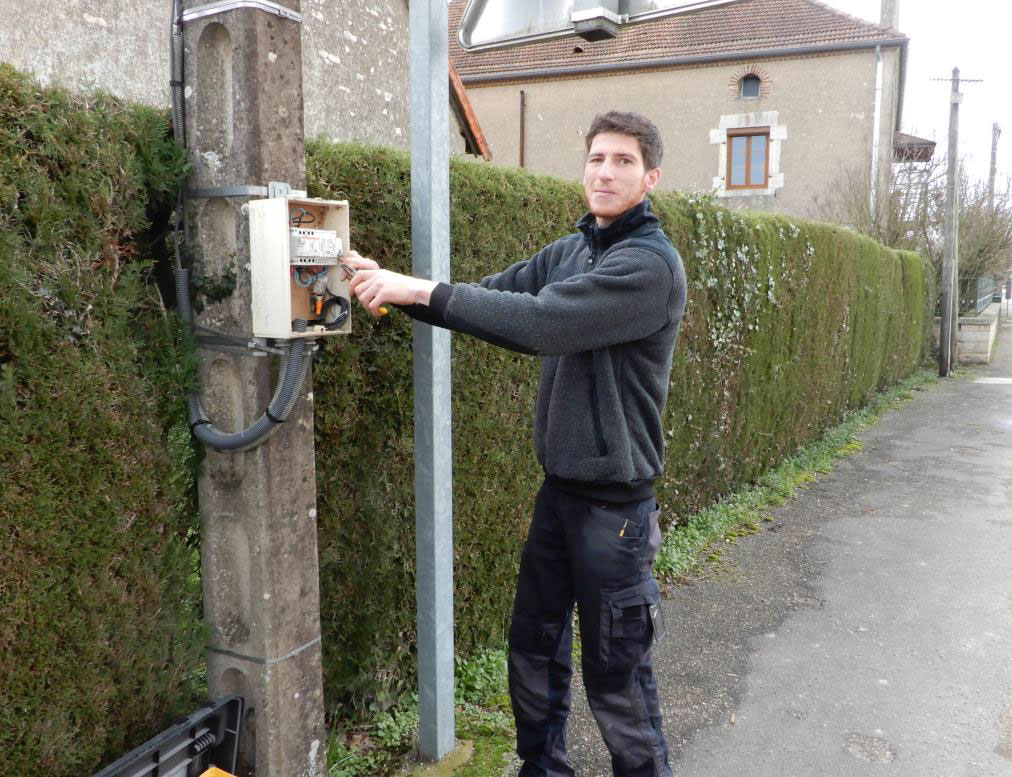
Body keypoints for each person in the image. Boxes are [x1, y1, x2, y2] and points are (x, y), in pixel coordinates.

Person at [345, 111, 686, 777]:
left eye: (622, 161)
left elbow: (539, 322)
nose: (604, 171)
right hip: (559, 497)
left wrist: (417, 288)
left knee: (616, 677)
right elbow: (492, 299)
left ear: (650, 177)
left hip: (616, 514)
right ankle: (541, 767)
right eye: (596, 158)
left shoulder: (648, 267)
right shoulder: (572, 251)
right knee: (533, 647)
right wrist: (388, 281)